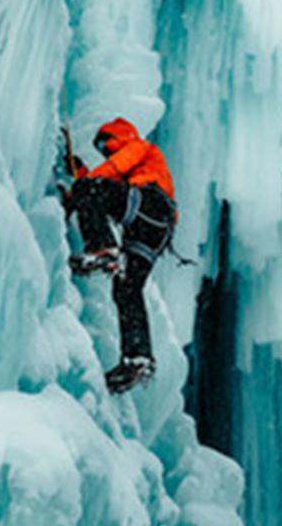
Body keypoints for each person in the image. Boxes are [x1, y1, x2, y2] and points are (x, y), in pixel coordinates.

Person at [64, 117, 177, 394]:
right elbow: (109, 186)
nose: (105, 149)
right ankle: (138, 358)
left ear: (119, 135)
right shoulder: (133, 165)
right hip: (156, 231)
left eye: (106, 143)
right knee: (127, 287)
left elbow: (112, 172)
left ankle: (102, 248)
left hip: (149, 205)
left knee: (88, 189)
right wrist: (81, 172)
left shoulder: (139, 146)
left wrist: (84, 182)